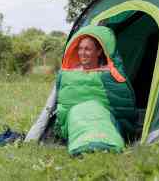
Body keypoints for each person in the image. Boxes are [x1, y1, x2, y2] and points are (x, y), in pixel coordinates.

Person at [54, 25, 136, 155]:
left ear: (98, 52)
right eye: (80, 49)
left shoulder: (110, 74)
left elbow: (122, 105)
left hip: (103, 112)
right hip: (76, 113)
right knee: (78, 113)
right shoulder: (69, 74)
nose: (82, 53)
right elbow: (63, 104)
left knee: (97, 113)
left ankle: (105, 142)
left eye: (87, 49)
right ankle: (82, 143)